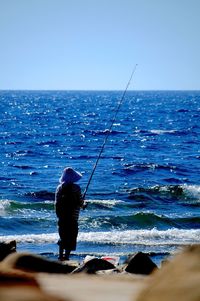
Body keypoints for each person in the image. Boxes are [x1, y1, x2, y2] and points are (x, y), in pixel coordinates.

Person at [55, 167, 84, 260]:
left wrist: (58, 215)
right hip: (73, 216)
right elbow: (80, 202)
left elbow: (56, 203)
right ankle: (66, 256)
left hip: (62, 216)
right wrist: (84, 205)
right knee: (71, 236)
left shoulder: (59, 188)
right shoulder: (77, 188)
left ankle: (60, 256)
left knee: (63, 235)